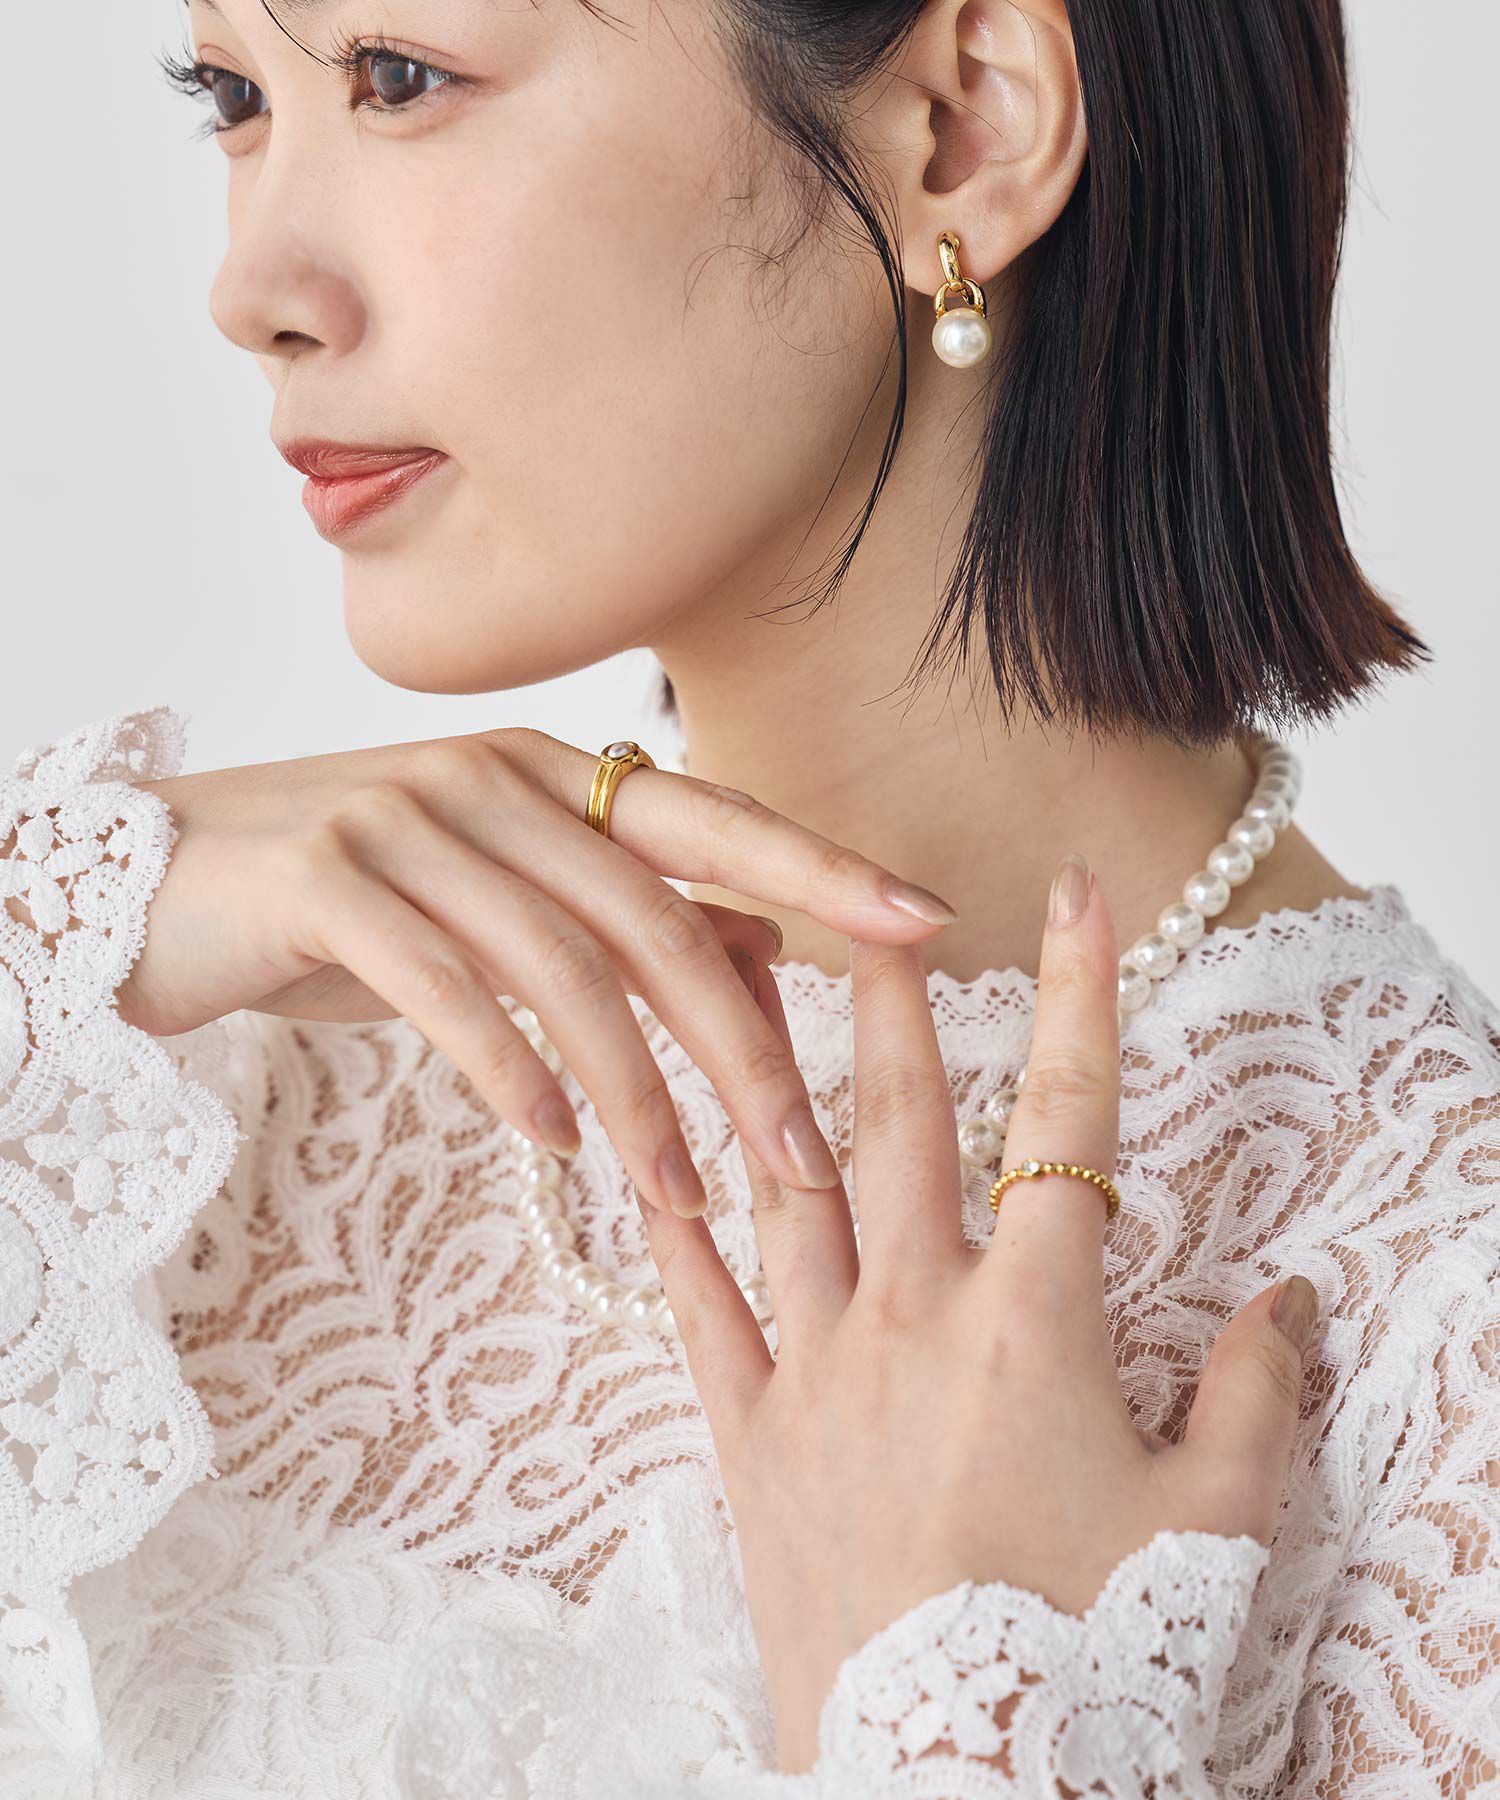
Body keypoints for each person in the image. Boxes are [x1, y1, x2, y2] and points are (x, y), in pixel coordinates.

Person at [0, 0, 1495, 1794]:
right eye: (233, 99)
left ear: (962, 127)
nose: (251, 290)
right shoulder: (125, 1122)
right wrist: (49, 932)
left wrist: (966, 1710)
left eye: (400, 79)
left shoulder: (1437, 1338)